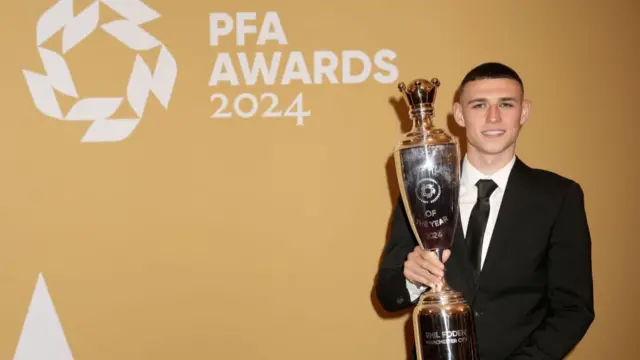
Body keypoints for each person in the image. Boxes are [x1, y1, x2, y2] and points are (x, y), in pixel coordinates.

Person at [375, 62, 594, 360]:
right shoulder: (422, 190)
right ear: (460, 114)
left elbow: (574, 309)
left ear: (524, 112)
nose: (494, 117)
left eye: (506, 104)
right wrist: (412, 279)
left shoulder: (559, 197)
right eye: (479, 105)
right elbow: (388, 295)